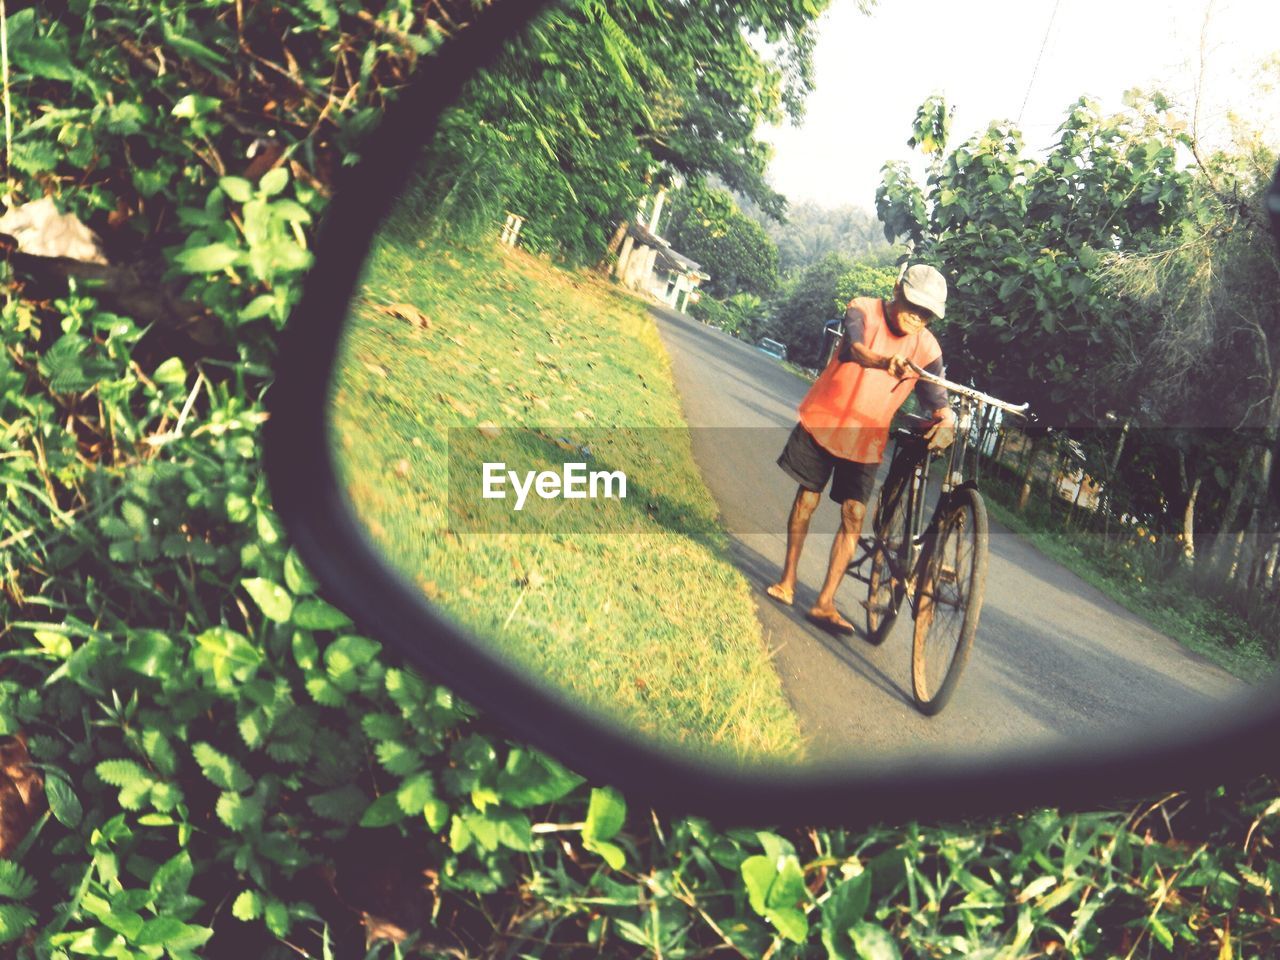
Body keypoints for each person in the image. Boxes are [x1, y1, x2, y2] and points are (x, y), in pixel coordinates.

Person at [766, 263, 957, 634]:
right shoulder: (863, 309)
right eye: (913, 305)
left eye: (926, 313)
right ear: (897, 289)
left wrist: (946, 418)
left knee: (854, 515)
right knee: (808, 498)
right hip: (826, 419)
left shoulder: (928, 348)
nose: (917, 317)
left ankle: (825, 602)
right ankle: (787, 580)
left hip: (867, 437)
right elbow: (854, 349)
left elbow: (936, 395)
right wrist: (886, 362)